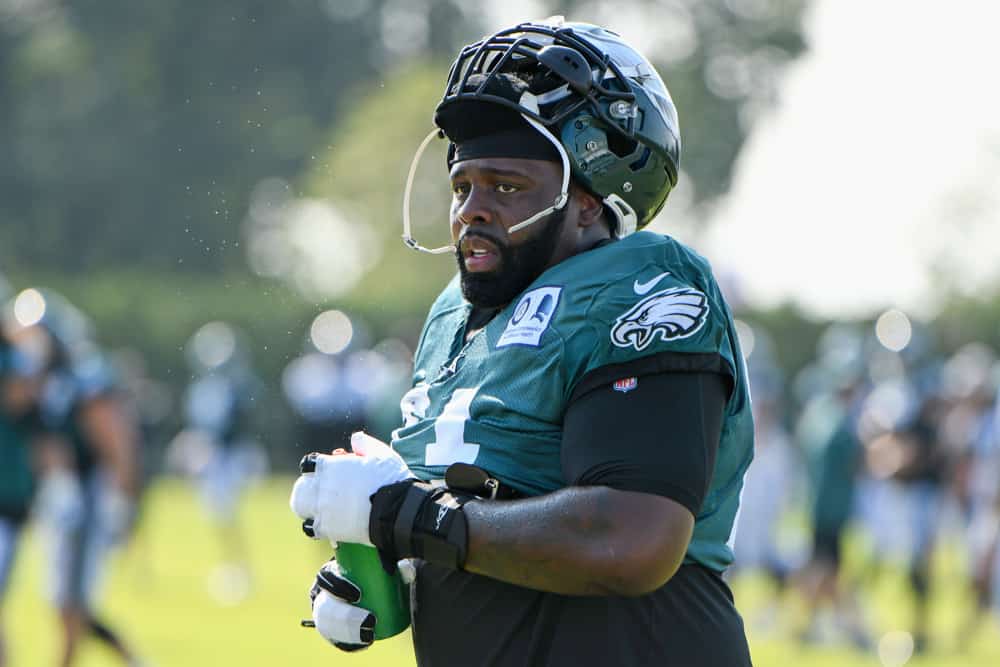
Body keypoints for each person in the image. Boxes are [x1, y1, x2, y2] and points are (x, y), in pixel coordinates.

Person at [291, 18, 754, 666]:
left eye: (506, 186)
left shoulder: (638, 285)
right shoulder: (455, 315)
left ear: (589, 201)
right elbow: (474, 520)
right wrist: (386, 563)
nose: (471, 210)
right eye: (462, 186)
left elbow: (632, 535)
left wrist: (416, 518)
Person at [5, 289, 144, 667]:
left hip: (89, 492)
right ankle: (132, 658)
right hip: (65, 493)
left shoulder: (83, 375)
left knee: (71, 601)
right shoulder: (42, 379)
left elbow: (115, 441)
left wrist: (121, 498)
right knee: (62, 599)